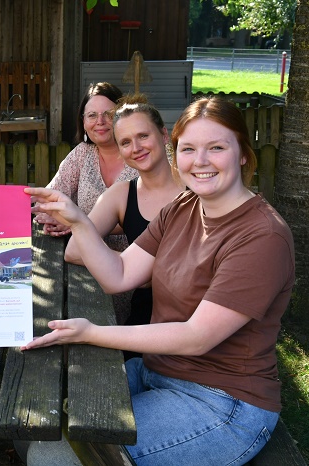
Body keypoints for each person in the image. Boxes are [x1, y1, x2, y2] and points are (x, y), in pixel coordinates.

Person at [22, 97, 295, 465]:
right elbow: (118, 275)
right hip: (157, 370)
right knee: (37, 414)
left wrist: (91, 332)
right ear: (176, 152)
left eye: (216, 147)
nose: (200, 161)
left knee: (53, 455)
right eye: (189, 149)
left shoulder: (262, 236)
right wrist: (79, 222)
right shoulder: (182, 208)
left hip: (222, 401)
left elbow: (197, 336)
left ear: (243, 154)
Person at [65, 94, 184, 359]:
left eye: (143, 136)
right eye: (126, 142)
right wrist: (131, 267)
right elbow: (74, 250)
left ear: (164, 135)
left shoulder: (194, 188)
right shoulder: (121, 195)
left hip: (191, 326)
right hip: (141, 327)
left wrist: (152, 271)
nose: (136, 148)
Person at [35, 82, 138, 241]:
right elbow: (46, 200)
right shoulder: (82, 153)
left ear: (122, 116)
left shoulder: (140, 152)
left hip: (139, 253)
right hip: (85, 253)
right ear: (83, 122)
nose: (100, 121)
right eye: (92, 115)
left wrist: (77, 223)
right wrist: (54, 216)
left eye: (108, 114)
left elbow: (155, 216)